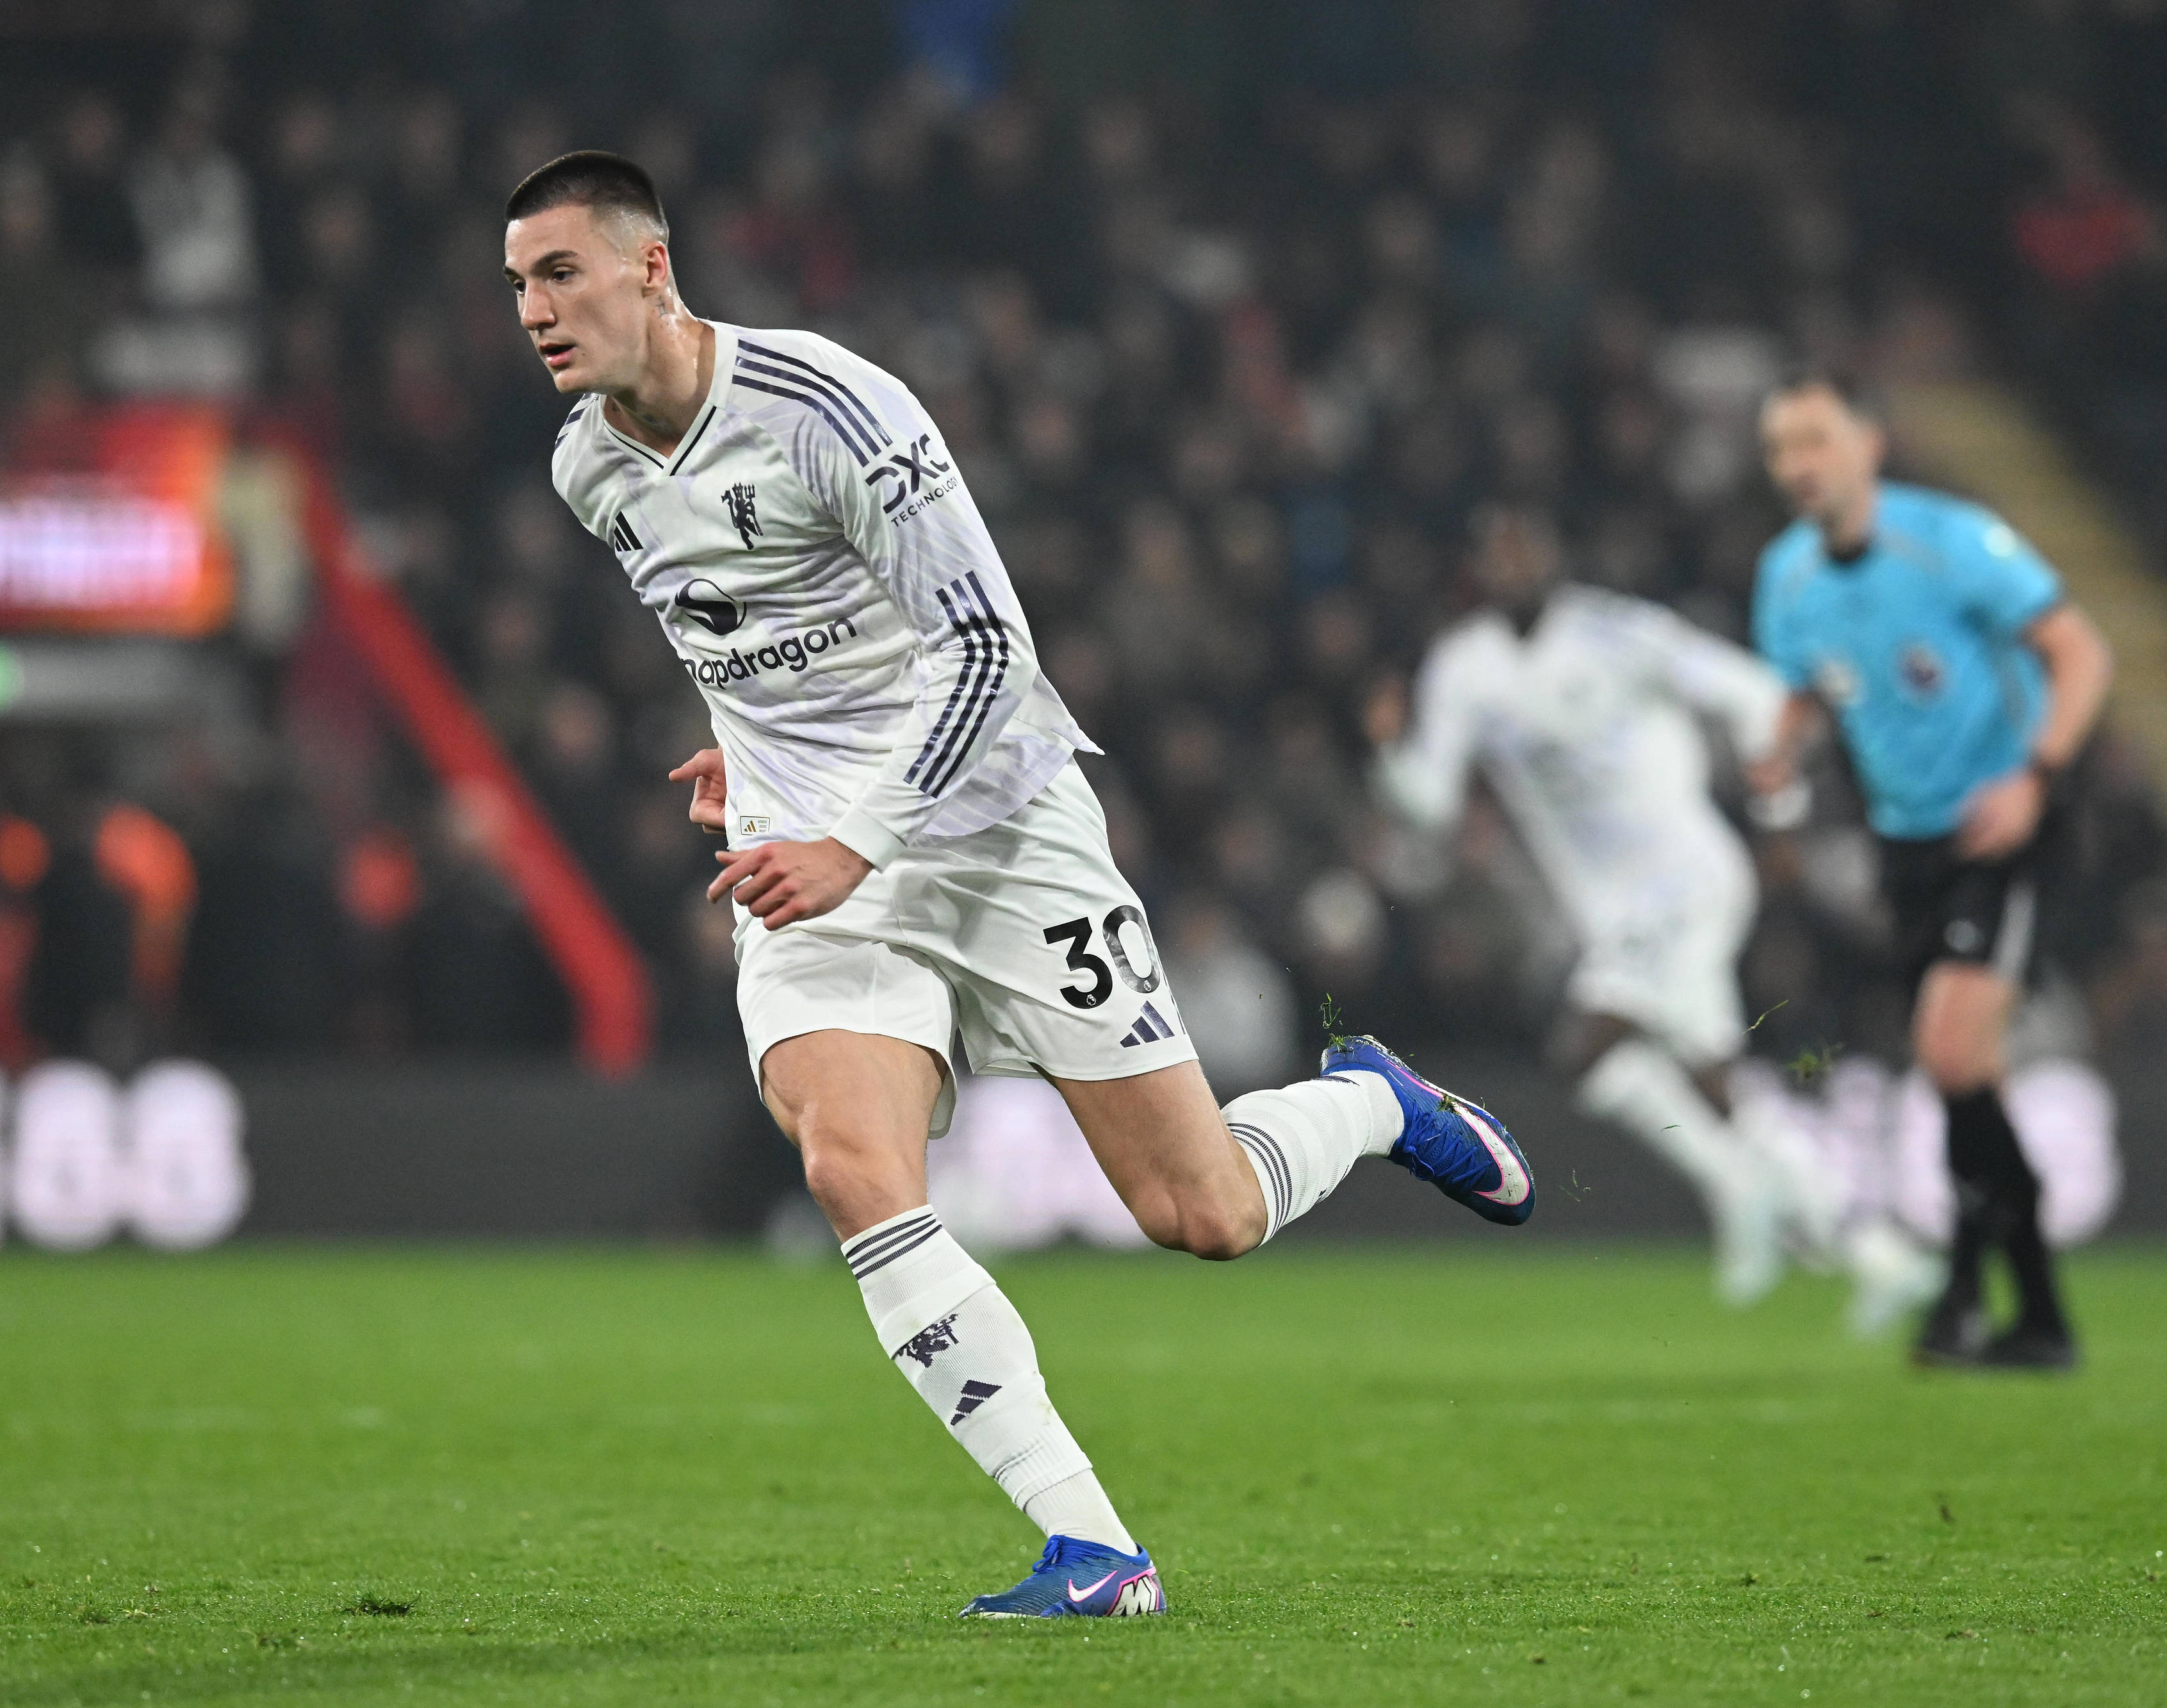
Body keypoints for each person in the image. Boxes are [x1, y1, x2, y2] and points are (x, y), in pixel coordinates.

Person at [503, 151, 1537, 1619]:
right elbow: (745, 631)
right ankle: (1093, 1546)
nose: (534, 310)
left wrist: (855, 829)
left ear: (649, 268)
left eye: (559, 273)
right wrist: (745, 753)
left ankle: (1374, 1100)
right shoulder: (585, 466)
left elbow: (986, 651)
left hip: (993, 827)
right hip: (817, 862)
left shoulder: (833, 412)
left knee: (1202, 1210)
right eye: (518, 286)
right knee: (852, 1161)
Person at [1363, 505, 1942, 1328]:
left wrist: (1779, 810)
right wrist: (1390, 748)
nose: (1518, 564)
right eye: (1501, 553)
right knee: (1689, 1074)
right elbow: (1431, 802)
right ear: (1480, 571)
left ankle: (1773, 1202)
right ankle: (1855, 1239)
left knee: (1596, 1047)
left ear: (1554, 556)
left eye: (1530, 546)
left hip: (1686, 878)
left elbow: (1756, 696)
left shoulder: (1616, 633)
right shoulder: (1463, 669)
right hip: (1612, 909)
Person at [1751, 369, 2113, 1370]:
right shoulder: (1786, 577)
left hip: (2002, 825)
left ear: (1870, 441)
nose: (1799, 465)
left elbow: (2081, 653)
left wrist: (2037, 776)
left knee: (1949, 1055)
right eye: (1782, 447)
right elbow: (1807, 693)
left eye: (1817, 439)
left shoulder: (1950, 540)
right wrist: (1780, 745)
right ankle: (2035, 1313)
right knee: (1964, 1076)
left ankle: (1962, 1291)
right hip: (1903, 840)